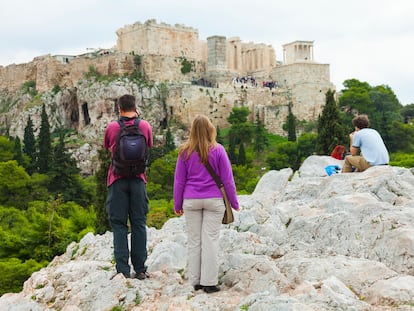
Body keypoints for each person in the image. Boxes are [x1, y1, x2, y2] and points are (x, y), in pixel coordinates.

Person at [173, 115, 240, 294]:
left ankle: (195, 282)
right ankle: (209, 283)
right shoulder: (218, 150)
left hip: (191, 200)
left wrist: (177, 204)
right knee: (210, 240)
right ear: (210, 129)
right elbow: (227, 180)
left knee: (194, 241)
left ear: (192, 131)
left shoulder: (184, 152)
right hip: (214, 200)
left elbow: (179, 181)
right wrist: (233, 202)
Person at [104, 94, 153, 279]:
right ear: (135, 106)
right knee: (139, 223)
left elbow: (109, 147)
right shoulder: (145, 126)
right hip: (139, 180)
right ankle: (140, 269)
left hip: (117, 180)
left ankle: (123, 270)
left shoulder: (112, 127)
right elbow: (149, 145)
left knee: (119, 224)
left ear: (119, 108)